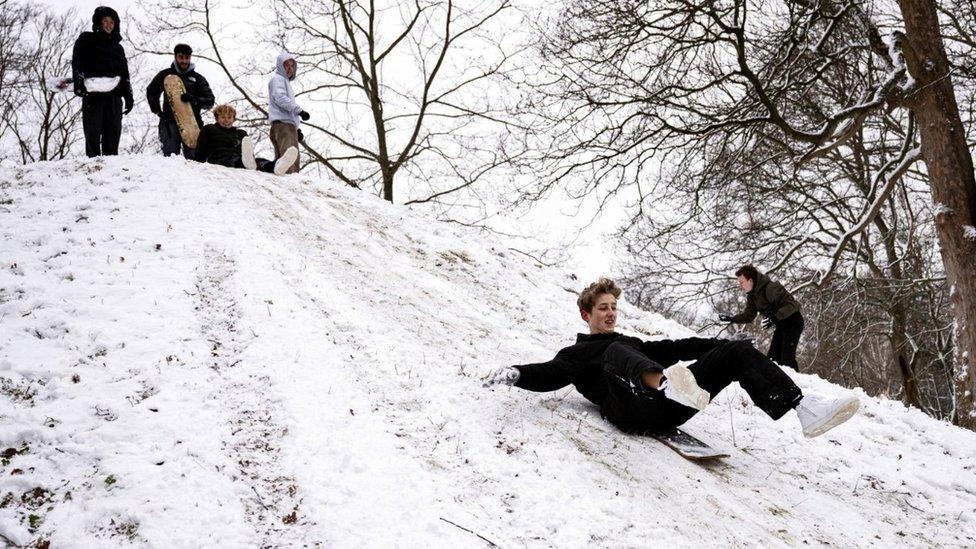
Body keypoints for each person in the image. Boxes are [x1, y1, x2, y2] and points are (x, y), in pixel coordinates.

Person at [485, 278, 858, 439]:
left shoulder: (628, 340)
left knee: (736, 352)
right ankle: (666, 384)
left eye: (614, 307)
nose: (611, 314)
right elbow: (553, 373)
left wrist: (719, 342)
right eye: (603, 308)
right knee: (618, 351)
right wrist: (517, 373)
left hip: (670, 406)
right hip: (629, 409)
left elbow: (673, 346)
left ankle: (804, 408)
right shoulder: (578, 353)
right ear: (587, 314)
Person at [71, 6, 134, 157]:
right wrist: (78, 80)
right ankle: (93, 170)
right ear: (99, 22)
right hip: (94, 94)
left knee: (112, 137)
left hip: (114, 96)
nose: (109, 25)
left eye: (112, 22)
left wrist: (129, 95)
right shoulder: (87, 39)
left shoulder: (118, 48)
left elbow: (124, 74)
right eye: (105, 21)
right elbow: (78, 60)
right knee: (92, 134)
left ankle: (110, 173)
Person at [718, 265, 805, 371]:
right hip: (781, 325)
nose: (741, 286)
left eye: (742, 282)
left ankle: (795, 384)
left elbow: (792, 306)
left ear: (750, 280)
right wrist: (731, 319)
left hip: (793, 322)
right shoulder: (752, 295)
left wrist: (774, 318)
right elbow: (749, 316)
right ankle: (775, 384)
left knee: (786, 358)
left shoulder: (770, 288)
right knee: (773, 359)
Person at [146, 43, 216, 159]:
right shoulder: (165, 75)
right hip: (169, 124)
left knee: (195, 162)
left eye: (187, 58)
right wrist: (158, 111)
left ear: (190, 58)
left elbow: (210, 101)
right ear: (175, 57)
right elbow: (151, 92)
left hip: (192, 125)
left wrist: (194, 100)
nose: (184, 61)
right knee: (171, 160)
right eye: (181, 57)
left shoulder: (198, 79)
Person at [194, 104, 298, 176]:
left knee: (259, 161)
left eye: (229, 117)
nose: (226, 120)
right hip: (218, 158)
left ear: (234, 119)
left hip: (240, 157)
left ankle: (276, 165)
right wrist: (198, 164)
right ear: (217, 118)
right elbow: (200, 149)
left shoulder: (241, 133)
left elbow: (247, 153)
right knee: (236, 161)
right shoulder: (209, 129)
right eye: (223, 117)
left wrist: (249, 158)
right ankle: (245, 163)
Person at [267, 51, 309, 174]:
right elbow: (280, 98)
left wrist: (296, 129)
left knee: (287, 160)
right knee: (289, 160)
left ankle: (288, 185)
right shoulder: (278, 79)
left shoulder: (284, 82)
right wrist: (299, 111)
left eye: (292, 66)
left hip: (287, 125)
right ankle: (291, 183)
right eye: (287, 65)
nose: (290, 69)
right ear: (280, 65)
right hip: (283, 125)